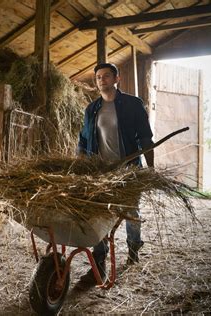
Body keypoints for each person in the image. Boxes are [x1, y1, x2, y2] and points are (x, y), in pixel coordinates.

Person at [76, 63, 154, 286]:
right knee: (99, 213)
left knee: (131, 211)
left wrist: (150, 169)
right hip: (101, 172)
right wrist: (79, 167)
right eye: (98, 77)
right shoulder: (91, 109)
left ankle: (133, 249)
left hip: (128, 170)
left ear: (117, 79)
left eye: (107, 76)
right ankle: (99, 262)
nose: (102, 80)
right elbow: (82, 141)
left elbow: (146, 138)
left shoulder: (132, 104)